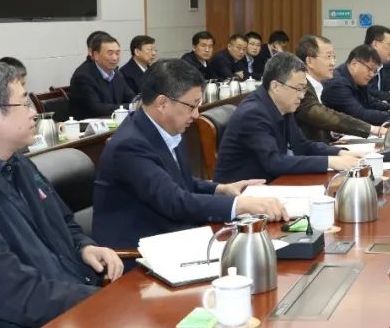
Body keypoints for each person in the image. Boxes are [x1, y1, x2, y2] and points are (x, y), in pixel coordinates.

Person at [0, 59, 122, 328]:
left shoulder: (19, 163)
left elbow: (64, 221)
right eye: (24, 103)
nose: (33, 112)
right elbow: (12, 292)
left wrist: (84, 246)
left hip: (67, 316)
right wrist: (101, 304)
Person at [92, 59, 287, 250]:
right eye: (191, 106)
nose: (196, 115)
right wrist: (240, 205)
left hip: (175, 235)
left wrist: (221, 189)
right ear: (162, 103)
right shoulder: (129, 145)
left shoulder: (165, 128)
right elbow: (174, 201)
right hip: (140, 251)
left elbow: (180, 181)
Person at [213, 53, 359, 183]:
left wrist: (340, 153)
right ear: (276, 86)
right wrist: (329, 162)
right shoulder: (253, 114)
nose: (302, 96)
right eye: (298, 89)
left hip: (268, 183)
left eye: (304, 89)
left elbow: (302, 145)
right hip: (241, 193)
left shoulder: (283, 104)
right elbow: (273, 162)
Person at [295, 35, 385, 141]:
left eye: (333, 57)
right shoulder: (300, 89)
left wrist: (333, 133)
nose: (333, 63)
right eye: (328, 57)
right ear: (309, 61)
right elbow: (326, 116)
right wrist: (373, 129)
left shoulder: (317, 86)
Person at [322, 45, 390, 126]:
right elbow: (360, 115)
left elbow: (371, 103)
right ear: (354, 64)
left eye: (374, 71)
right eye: (370, 69)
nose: (372, 74)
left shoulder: (358, 79)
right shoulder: (337, 84)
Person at [68, 33, 135, 118]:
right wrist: (131, 107)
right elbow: (97, 108)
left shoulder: (117, 74)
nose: (115, 58)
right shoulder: (83, 76)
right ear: (96, 55)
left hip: (114, 122)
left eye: (117, 53)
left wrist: (141, 101)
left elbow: (131, 97)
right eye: (110, 53)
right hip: (89, 124)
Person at [364, 25, 390, 103]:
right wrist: (389, 96)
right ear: (375, 44)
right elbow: (368, 92)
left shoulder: (384, 66)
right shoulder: (362, 65)